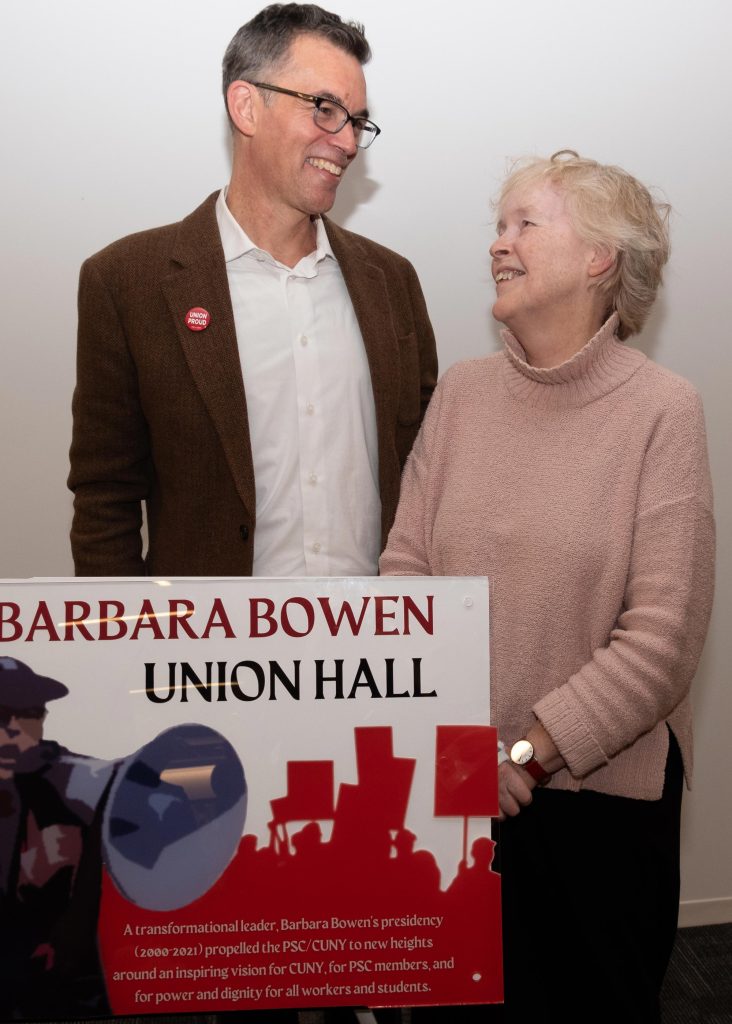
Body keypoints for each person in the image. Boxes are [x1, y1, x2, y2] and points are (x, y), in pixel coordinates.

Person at [380, 151, 715, 1022]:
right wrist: (464, 758)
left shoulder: (662, 411)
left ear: (602, 257)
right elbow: (403, 580)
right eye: (498, 226)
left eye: (527, 223)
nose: (500, 244)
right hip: (452, 786)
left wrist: (522, 754)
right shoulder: (459, 393)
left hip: (595, 814)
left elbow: (662, 642)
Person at [68, 3, 437, 578]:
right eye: (324, 109)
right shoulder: (126, 281)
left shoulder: (392, 283)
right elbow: (105, 501)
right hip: (205, 661)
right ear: (246, 106)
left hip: (374, 656)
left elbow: (426, 477)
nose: (345, 141)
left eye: (357, 121)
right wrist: (127, 649)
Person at [0, 657, 116, 1018]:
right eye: (1, 713)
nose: (15, 727)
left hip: (63, 989)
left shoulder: (71, 779)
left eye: (31, 713)